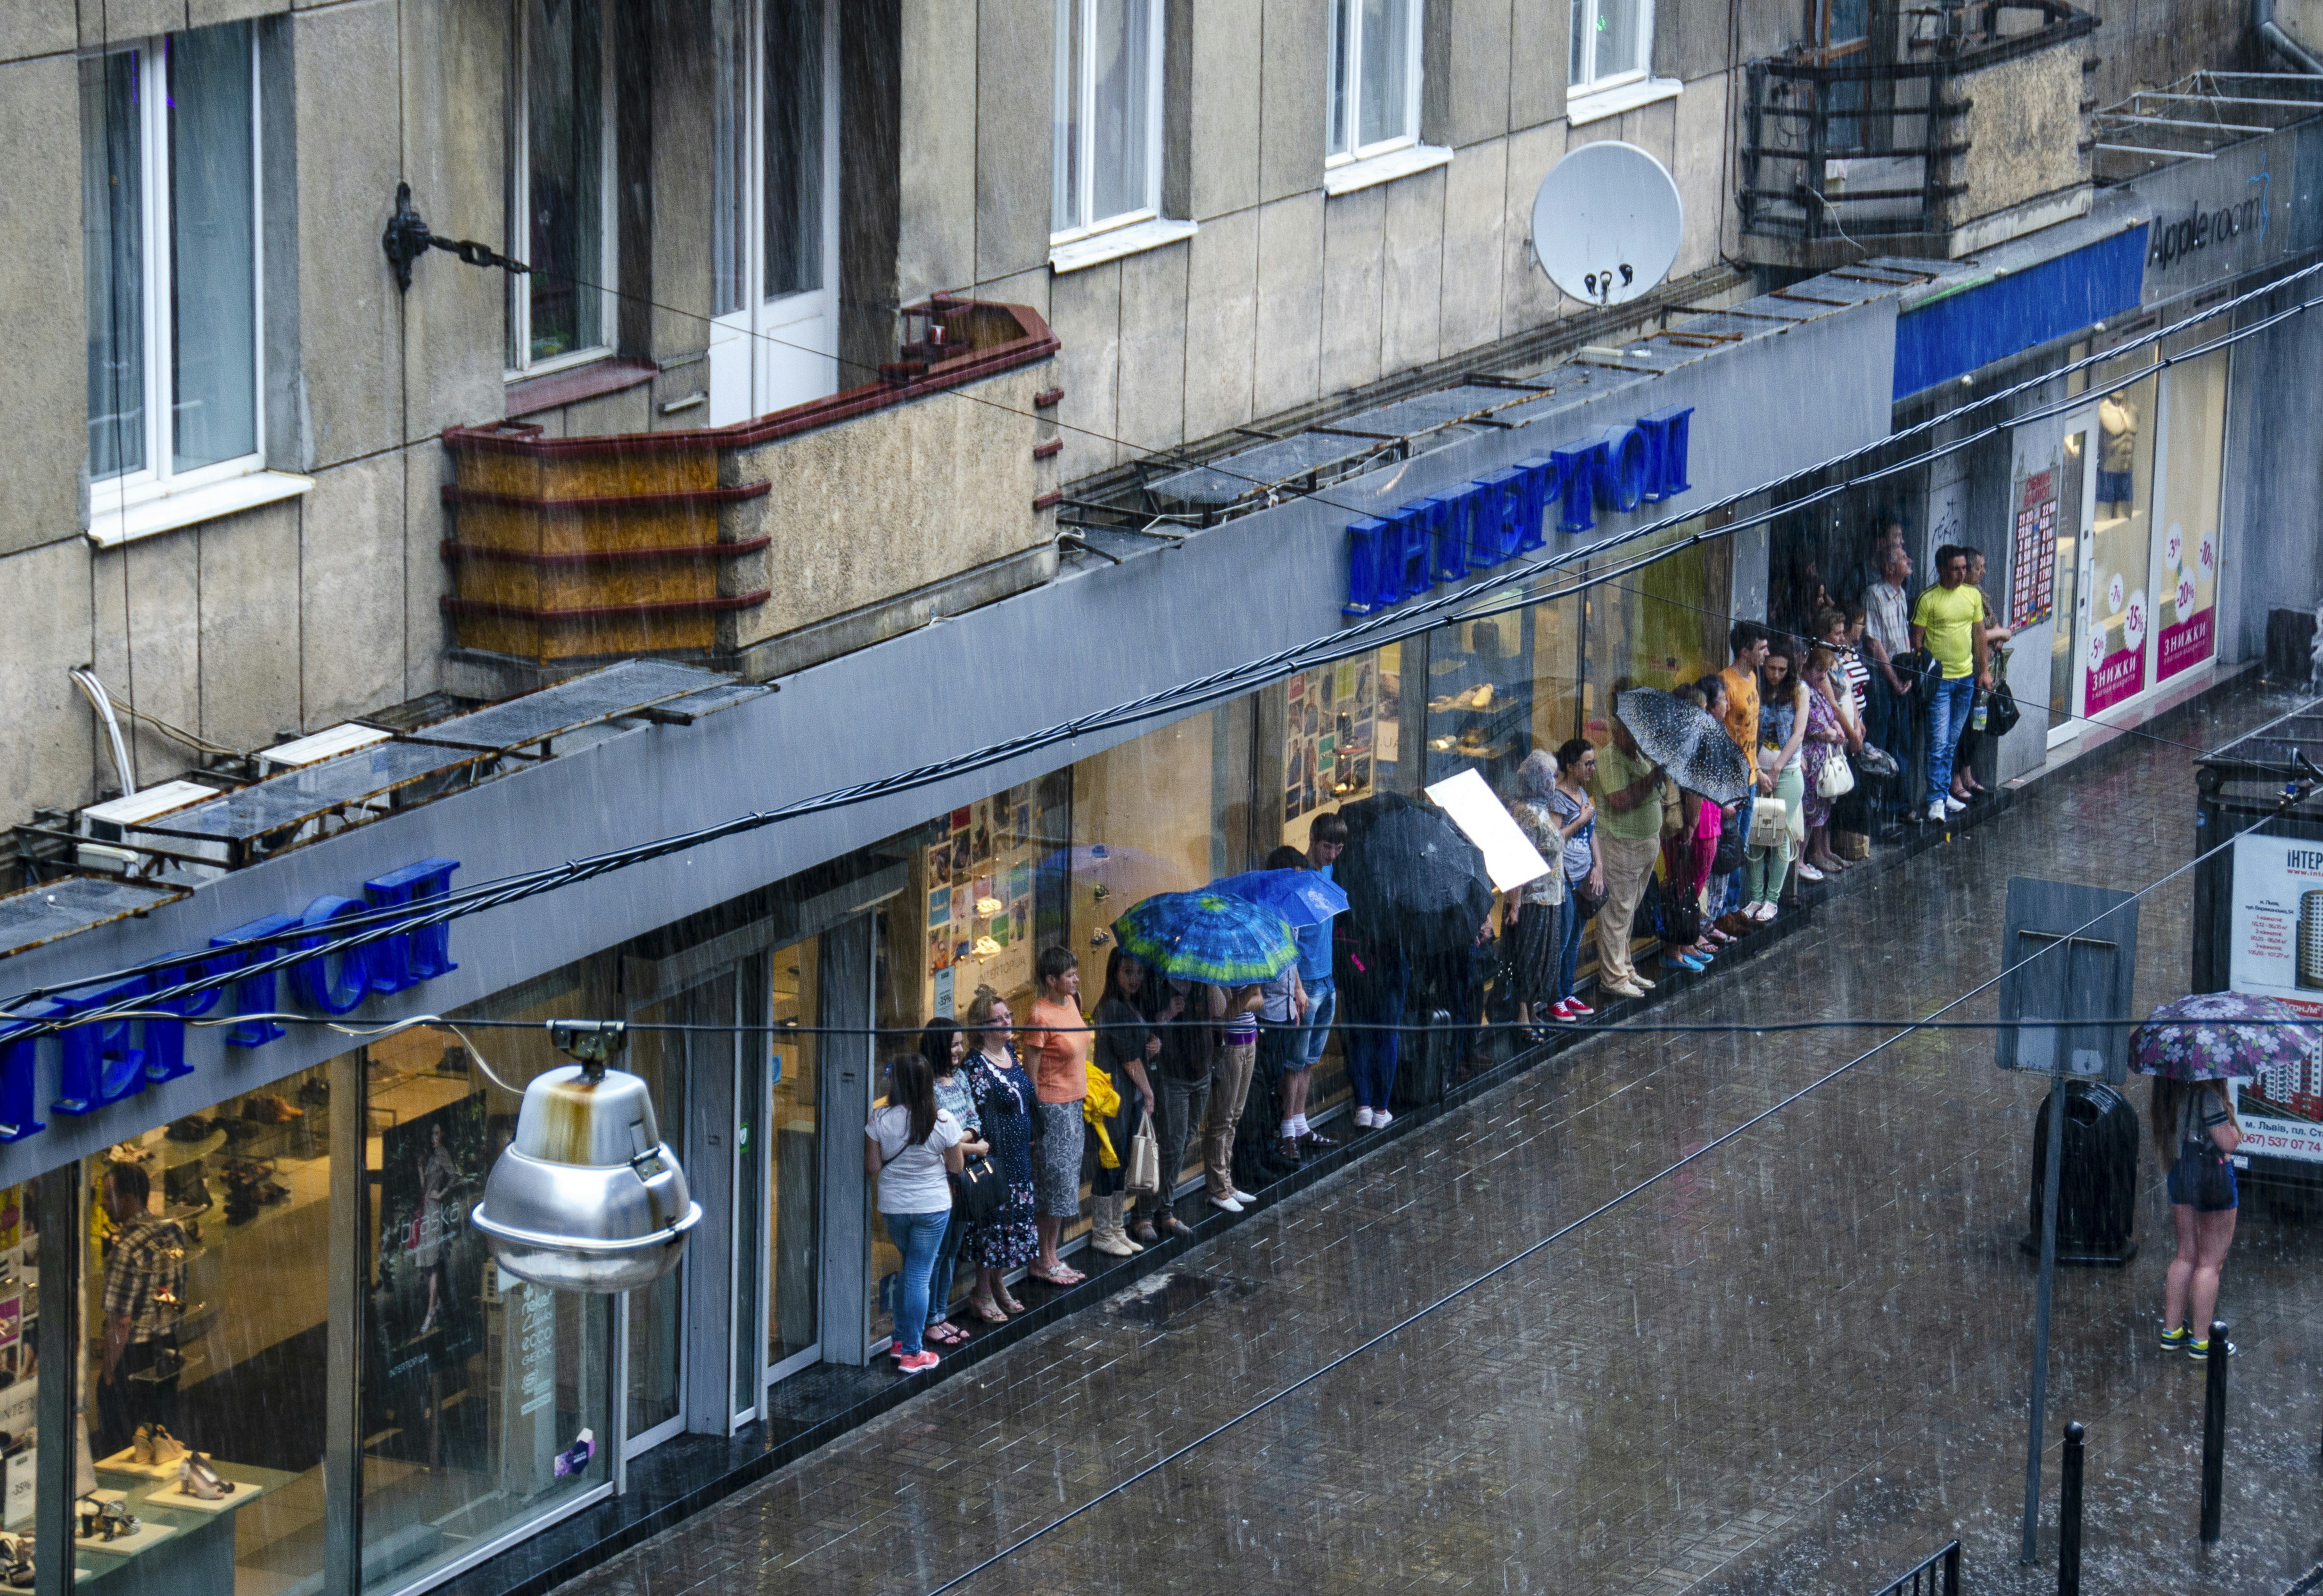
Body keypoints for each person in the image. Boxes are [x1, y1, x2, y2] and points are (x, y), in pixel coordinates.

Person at [865, 1052, 965, 1373]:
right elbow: (956, 1166)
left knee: (911, 1271)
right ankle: (912, 1352)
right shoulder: (944, 1121)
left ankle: (898, 1340)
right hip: (933, 1208)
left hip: (894, 1207)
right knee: (919, 1276)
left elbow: (873, 1167)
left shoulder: (880, 1119)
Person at [97, 1160, 189, 1458]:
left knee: (126, 1443)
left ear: (127, 1200)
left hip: (134, 1356)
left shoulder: (125, 1250)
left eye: (107, 1196)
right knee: (164, 1432)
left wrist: (109, 1372)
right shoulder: (173, 1232)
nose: (102, 1203)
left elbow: (120, 1322)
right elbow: (170, 1294)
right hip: (168, 1346)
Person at [960, 987, 1038, 1323]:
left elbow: (1025, 1098)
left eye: (1008, 1016)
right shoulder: (976, 1065)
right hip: (995, 1159)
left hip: (1020, 1156)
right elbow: (979, 1114)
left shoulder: (1010, 1054)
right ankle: (981, 1292)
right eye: (999, 1019)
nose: (1008, 1022)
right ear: (982, 1027)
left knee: (1012, 1225)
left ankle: (999, 1283)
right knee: (993, 1226)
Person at [2153, 1075, 2242, 1361]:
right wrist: (2229, 1114)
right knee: (2210, 1263)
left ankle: (2172, 1331)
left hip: (2182, 1175)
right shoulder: (2207, 1096)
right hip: (2211, 1180)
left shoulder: (2170, 1093)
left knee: (2185, 1256)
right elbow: (2228, 1144)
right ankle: (2202, 1341)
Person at [1019, 947, 1092, 1287]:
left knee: (1065, 1186)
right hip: (1051, 1109)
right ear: (1051, 980)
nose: (1076, 980)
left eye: (1076, 973)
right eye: (1070, 975)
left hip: (1074, 1105)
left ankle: (1053, 1254)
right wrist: (1033, 1119)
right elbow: (1029, 1076)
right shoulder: (1039, 1015)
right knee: (1051, 1185)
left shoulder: (1073, 1002)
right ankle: (1041, 1259)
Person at [1590, 695, 1667, 1001]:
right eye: (1631, 731)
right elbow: (1620, 801)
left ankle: (1625, 967)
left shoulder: (1638, 754)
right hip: (1622, 844)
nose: (1636, 737)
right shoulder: (1611, 758)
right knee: (1616, 912)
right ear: (1618, 730)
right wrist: (1652, 778)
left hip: (1644, 844)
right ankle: (1613, 977)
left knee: (1630, 910)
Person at [919, 1020, 989, 1349]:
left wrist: (959, 1140)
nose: (959, 1051)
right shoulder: (927, 1087)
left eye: (961, 1043)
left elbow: (975, 1121)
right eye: (953, 1045)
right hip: (940, 1178)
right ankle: (928, 1320)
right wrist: (968, 1145)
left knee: (950, 1252)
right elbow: (933, 1139)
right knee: (935, 1253)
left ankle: (939, 1312)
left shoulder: (961, 1078)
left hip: (964, 1176)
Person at [1911, 545, 1991, 824]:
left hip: (1966, 679)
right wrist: (1924, 674)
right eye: (1956, 569)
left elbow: (1980, 634)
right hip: (1940, 683)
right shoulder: (1928, 599)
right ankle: (1935, 799)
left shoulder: (1972, 596)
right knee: (1938, 743)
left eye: (1964, 568)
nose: (1961, 574)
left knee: (1951, 742)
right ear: (1942, 570)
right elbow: (1917, 641)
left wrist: (1985, 670)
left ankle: (1943, 793)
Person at [1139, 977, 1221, 1236]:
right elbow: (1148, 1029)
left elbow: (1220, 1011)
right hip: (1174, 1075)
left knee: (1185, 1139)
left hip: (1203, 1072)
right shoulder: (1158, 983)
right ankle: (1144, 1214)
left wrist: (1211, 980)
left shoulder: (1202, 980)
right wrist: (1169, 1012)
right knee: (1171, 1145)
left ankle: (1164, 1210)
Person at [1089, 949, 1159, 1252]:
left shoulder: (1128, 1006)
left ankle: (1116, 1228)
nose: (1135, 979)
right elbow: (1129, 1059)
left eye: (1139, 973)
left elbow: (1136, 1049)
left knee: (1121, 1162)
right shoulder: (1113, 1008)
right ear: (1114, 974)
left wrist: (1150, 1044)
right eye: (1128, 972)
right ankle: (1103, 1232)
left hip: (1124, 1098)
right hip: (1113, 1099)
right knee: (1110, 1163)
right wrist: (1148, 1091)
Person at [1285, 814, 1346, 1152]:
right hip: (1306, 981)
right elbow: (1291, 936)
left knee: (1310, 1059)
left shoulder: (1328, 872)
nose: (1332, 855)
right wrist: (1296, 987)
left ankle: (1300, 1121)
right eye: (1327, 847)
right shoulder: (1299, 876)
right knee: (1295, 1061)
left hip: (1327, 977)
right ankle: (1288, 1130)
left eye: (1337, 848)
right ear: (1312, 839)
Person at [1501, 749, 1569, 1039]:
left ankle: (1531, 1011)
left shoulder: (1539, 808)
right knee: (1528, 958)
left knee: (1542, 959)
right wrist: (1515, 905)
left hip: (1550, 897)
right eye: (1552, 776)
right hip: (1532, 900)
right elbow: (1517, 861)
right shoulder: (1526, 813)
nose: (1555, 782)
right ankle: (1522, 1017)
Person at [1948, 548, 2018, 804]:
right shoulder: (1964, 597)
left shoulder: (1980, 595)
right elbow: (1973, 635)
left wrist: (1997, 637)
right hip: (1972, 672)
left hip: (1985, 674)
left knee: (1977, 726)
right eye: (1978, 568)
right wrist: (2000, 634)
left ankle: (1967, 773)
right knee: (1962, 727)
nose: (1982, 572)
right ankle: (1955, 779)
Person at [1745, 645, 1808, 921]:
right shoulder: (1756, 683)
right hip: (1758, 771)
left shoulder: (1799, 689)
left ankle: (1772, 900)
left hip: (1787, 773)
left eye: (1783, 670)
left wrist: (1777, 768)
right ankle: (1756, 898)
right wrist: (1757, 769)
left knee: (1778, 834)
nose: (1777, 674)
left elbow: (1798, 733)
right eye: (1772, 668)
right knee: (1756, 835)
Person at [1861, 538, 1917, 827]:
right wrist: (1893, 678)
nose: (1908, 561)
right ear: (1888, 566)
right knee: (1880, 740)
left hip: (1900, 675)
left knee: (1902, 739)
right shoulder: (1875, 594)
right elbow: (1873, 642)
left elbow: (1904, 635)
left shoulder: (1902, 594)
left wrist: (1907, 673)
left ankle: (1899, 804)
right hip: (1881, 678)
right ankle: (1875, 806)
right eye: (1902, 557)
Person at [1548, 739, 1602, 1020]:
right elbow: (1553, 839)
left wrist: (1599, 867)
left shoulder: (1583, 793)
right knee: (1563, 940)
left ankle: (1567, 992)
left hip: (1584, 878)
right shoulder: (1557, 798)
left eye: (1593, 763)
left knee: (1575, 940)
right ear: (1571, 767)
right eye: (1587, 764)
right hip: (1565, 880)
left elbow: (1593, 834)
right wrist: (1579, 822)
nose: (1592, 768)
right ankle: (1554, 997)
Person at [1202, 974, 1265, 1209]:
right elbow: (1224, 1014)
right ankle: (1217, 1188)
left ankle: (1227, 1183)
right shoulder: (1219, 973)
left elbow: (1260, 1001)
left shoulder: (1245, 965)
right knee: (1222, 1118)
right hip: (1229, 1046)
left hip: (1250, 1040)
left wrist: (1246, 999)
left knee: (1235, 1116)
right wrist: (1249, 995)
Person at [1797, 646, 1854, 878]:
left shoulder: (1816, 690)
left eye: (1825, 671)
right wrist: (1833, 733)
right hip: (1811, 762)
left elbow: (1830, 716)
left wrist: (1837, 728)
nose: (1823, 676)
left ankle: (1820, 852)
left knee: (1822, 809)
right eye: (1819, 670)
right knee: (1809, 813)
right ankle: (1804, 859)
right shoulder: (1803, 691)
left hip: (1823, 760)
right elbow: (1815, 725)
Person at [1718, 622, 1770, 765]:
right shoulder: (1725, 681)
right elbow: (1717, 729)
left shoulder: (1753, 677)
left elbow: (1750, 734)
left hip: (1750, 770)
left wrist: (1757, 770)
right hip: (1731, 770)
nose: (1767, 653)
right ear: (1745, 652)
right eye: (1762, 649)